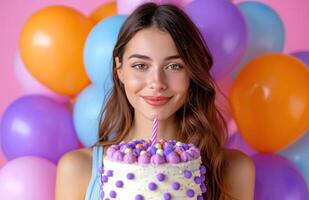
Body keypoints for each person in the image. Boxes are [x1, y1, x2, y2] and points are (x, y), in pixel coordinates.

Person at [55, 2, 255, 200]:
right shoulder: (78, 169)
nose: (157, 83)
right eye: (141, 65)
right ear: (120, 69)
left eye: (174, 66)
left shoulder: (234, 170)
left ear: (191, 72)